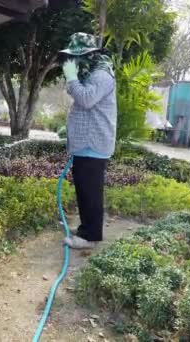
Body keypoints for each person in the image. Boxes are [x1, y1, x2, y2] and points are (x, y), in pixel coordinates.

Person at [60, 32, 117, 249]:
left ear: (91, 54)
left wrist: (72, 77)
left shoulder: (102, 75)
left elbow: (86, 99)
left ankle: (90, 237)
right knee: (84, 191)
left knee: (91, 193)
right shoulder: (92, 73)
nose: (74, 61)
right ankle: (86, 229)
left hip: (94, 144)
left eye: (78, 56)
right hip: (86, 144)